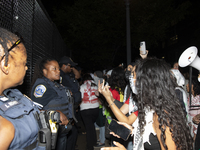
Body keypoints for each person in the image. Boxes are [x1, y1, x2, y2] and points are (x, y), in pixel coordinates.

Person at [99, 57, 193, 150]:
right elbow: (152, 136)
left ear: (148, 82)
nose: (132, 80)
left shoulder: (163, 117)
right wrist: (132, 131)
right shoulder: (148, 107)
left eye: (135, 77)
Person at [0, 27, 47, 149]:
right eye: (24, 63)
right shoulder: (4, 129)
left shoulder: (12, 95)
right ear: (5, 65)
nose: (26, 68)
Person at [30, 58, 72, 150]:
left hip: (60, 130)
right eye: (54, 69)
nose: (58, 71)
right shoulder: (42, 86)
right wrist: (54, 112)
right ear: (45, 71)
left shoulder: (55, 84)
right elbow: (34, 110)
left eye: (58, 68)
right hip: (50, 132)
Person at [80, 74, 99, 150]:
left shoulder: (82, 87)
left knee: (89, 128)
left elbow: (81, 98)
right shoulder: (95, 86)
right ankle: (94, 141)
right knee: (91, 126)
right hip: (95, 109)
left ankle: (90, 146)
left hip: (85, 109)